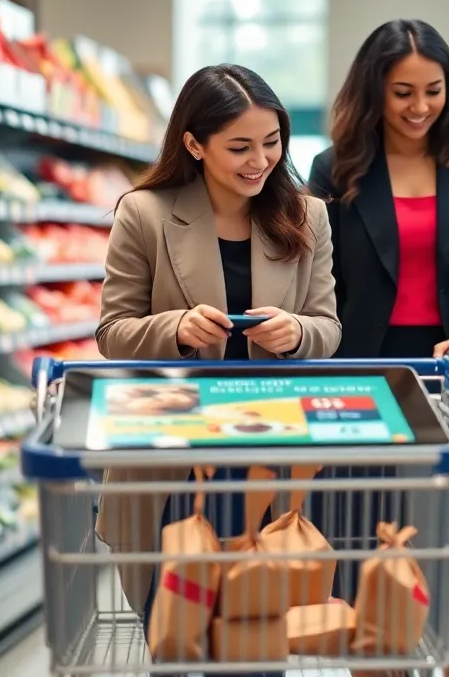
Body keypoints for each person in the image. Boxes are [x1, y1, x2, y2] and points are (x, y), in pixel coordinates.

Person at [95, 63, 341, 676]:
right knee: (177, 644)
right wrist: (174, 330)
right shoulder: (145, 214)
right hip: (168, 458)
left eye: (272, 141)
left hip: (263, 456)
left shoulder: (306, 216)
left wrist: (296, 334)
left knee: (257, 644)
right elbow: (111, 332)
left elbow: (327, 327)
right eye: (239, 146)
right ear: (194, 143)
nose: (260, 160)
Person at [307, 18, 449, 677]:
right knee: (365, 552)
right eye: (403, 92)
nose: (420, 107)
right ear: (373, 91)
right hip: (361, 379)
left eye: (433, 90)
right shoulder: (335, 167)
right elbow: (314, 277)